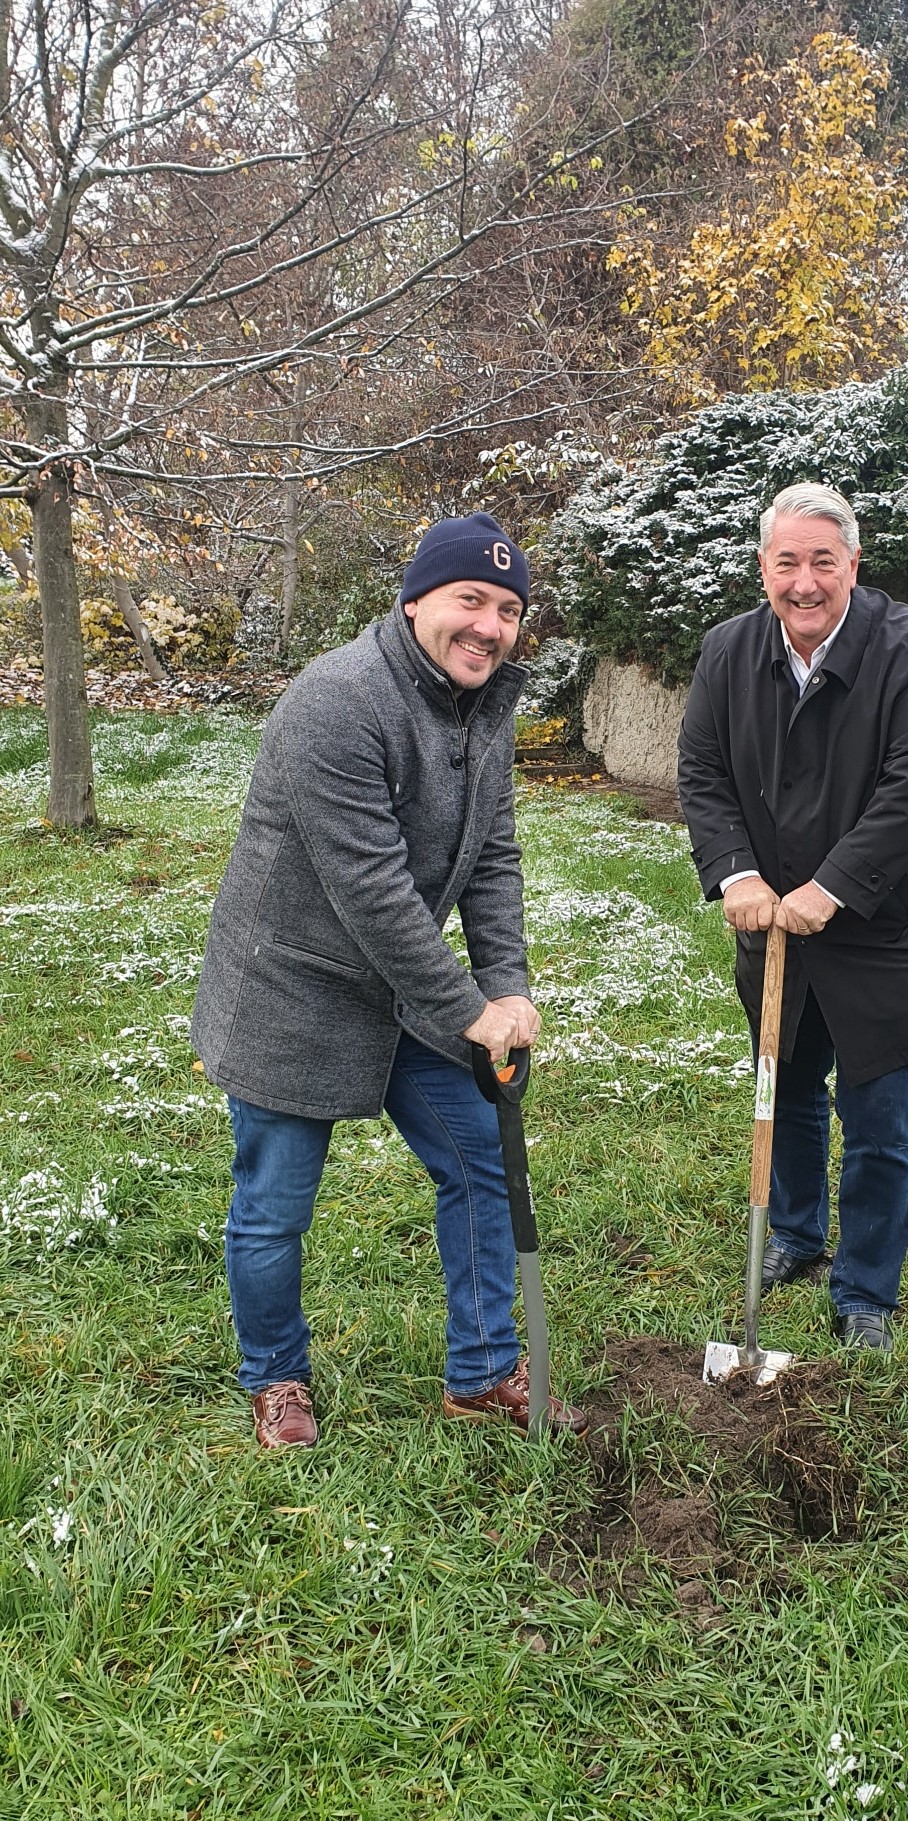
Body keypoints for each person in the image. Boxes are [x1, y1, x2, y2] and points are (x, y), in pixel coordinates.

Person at [191, 512, 586, 1445]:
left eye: (508, 610)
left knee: (480, 1160)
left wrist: (507, 984)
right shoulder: (337, 700)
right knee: (276, 1204)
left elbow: (493, 856)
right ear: (415, 602)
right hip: (292, 988)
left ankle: (482, 1372)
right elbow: (370, 889)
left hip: (402, 988)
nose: (490, 626)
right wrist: (467, 1009)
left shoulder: (483, 707)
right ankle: (275, 1376)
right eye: (469, 600)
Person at [677, 482, 908, 1352]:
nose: (804, 582)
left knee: (878, 1120)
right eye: (786, 562)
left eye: (823, 562)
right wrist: (736, 871)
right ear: (762, 567)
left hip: (887, 929)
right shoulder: (728, 651)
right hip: (774, 928)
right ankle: (797, 1235)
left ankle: (866, 1289)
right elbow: (703, 771)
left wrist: (833, 884)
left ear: (853, 564)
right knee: (789, 1088)